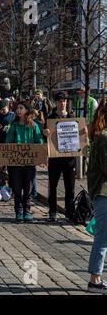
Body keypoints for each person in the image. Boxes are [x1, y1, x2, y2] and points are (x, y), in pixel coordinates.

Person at [5, 101, 44, 223]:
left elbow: (39, 142)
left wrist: (41, 157)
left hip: (29, 163)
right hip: (15, 163)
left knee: (28, 188)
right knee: (17, 188)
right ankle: (19, 212)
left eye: (21, 108)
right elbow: (8, 143)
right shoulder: (14, 125)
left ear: (27, 110)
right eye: (17, 108)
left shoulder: (33, 126)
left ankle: (27, 211)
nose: (18, 110)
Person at [42, 92, 78, 222]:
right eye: (60, 101)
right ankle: (52, 211)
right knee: (53, 186)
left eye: (64, 101)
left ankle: (69, 212)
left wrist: (83, 132)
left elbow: (79, 136)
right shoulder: (50, 118)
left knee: (70, 187)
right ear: (56, 102)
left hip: (69, 159)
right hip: (55, 158)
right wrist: (45, 133)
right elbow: (44, 138)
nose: (62, 103)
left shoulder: (72, 117)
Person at [86, 98, 107, 293]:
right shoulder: (104, 137)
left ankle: (96, 276)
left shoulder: (100, 135)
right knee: (102, 237)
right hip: (104, 192)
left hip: (101, 192)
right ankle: (95, 279)